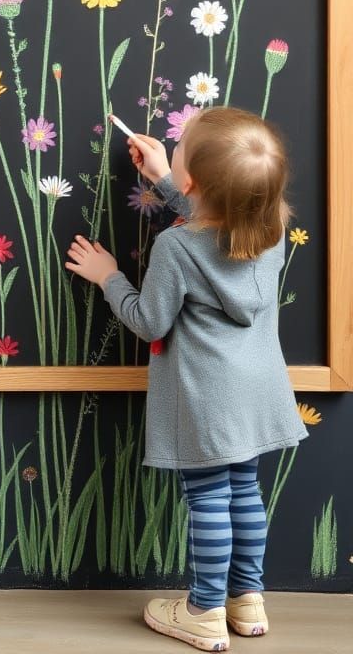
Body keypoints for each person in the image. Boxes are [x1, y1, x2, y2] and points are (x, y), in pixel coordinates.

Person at [65, 107, 307, 652]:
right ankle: (247, 600)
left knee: (206, 498)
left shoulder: (175, 247)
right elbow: (217, 225)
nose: (171, 147)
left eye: (178, 147)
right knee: (244, 488)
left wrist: (110, 279)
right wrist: (168, 181)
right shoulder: (270, 228)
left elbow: (150, 319)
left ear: (195, 179)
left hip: (205, 396)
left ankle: (201, 610)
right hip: (258, 388)